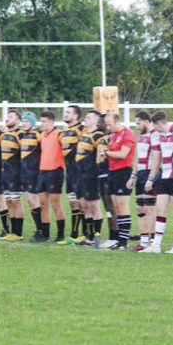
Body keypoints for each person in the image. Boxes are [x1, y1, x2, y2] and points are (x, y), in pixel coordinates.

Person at [143, 111, 173, 254]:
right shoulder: (159, 136)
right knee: (160, 210)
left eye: (155, 126)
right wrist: (151, 179)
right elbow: (158, 159)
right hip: (165, 176)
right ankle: (156, 245)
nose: (154, 129)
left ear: (159, 124)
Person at [104, 112, 137, 250]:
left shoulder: (127, 134)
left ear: (118, 122)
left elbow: (123, 154)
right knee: (115, 207)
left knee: (122, 207)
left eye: (110, 124)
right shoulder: (114, 136)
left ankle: (123, 241)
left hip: (123, 172)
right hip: (112, 172)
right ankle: (118, 238)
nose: (108, 126)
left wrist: (106, 153)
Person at [74, 110, 105, 246]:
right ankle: (89, 236)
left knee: (93, 206)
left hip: (91, 175)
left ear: (96, 121)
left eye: (88, 117)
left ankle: (97, 239)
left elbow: (101, 154)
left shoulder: (98, 135)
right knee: (84, 206)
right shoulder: (84, 134)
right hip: (80, 175)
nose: (85, 119)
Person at [128, 111, 158, 252]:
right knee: (140, 209)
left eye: (139, 123)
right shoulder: (142, 137)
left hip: (149, 173)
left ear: (147, 121)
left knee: (149, 208)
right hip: (140, 173)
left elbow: (158, 159)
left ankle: (153, 241)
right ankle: (144, 241)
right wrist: (132, 177)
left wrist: (151, 178)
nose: (137, 127)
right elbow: (138, 158)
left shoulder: (154, 136)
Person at [36, 110, 67, 243]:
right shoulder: (42, 135)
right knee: (43, 204)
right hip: (42, 172)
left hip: (55, 172)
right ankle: (45, 234)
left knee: (56, 204)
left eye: (44, 122)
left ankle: (60, 234)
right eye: (41, 121)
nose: (42, 124)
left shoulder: (59, 134)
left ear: (52, 122)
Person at [59, 104, 86, 244]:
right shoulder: (64, 131)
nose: (66, 114)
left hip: (79, 172)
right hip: (69, 172)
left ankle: (86, 234)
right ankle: (74, 234)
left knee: (82, 203)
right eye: (66, 112)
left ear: (76, 116)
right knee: (72, 202)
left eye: (69, 112)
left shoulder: (81, 129)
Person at [0, 110, 25, 240]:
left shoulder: (20, 135)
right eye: (7, 116)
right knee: (8, 201)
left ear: (18, 121)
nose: (7, 119)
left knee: (16, 201)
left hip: (15, 172)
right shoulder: (4, 134)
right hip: (5, 172)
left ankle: (18, 233)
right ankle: (12, 232)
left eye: (11, 117)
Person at [18, 112, 44, 241]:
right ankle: (39, 229)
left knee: (35, 200)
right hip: (25, 172)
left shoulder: (38, 135)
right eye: (22, 121)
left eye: (27, 121)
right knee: (29, 199)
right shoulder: (23, 135)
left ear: (33, 122)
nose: (24, 123)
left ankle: (42, 230)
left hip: (34, 172)